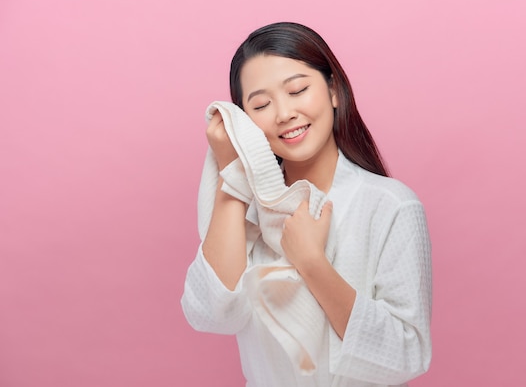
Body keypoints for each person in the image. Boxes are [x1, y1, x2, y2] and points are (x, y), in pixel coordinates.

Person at [181, 22, 432, 387]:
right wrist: (232, 177)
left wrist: (313, 263)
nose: (284, 113)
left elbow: (406, 355)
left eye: (297, 90)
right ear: (246, 122)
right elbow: (211, 315)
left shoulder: (392, 207)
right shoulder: (246, 214)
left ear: (333, 90)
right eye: (262, 104)